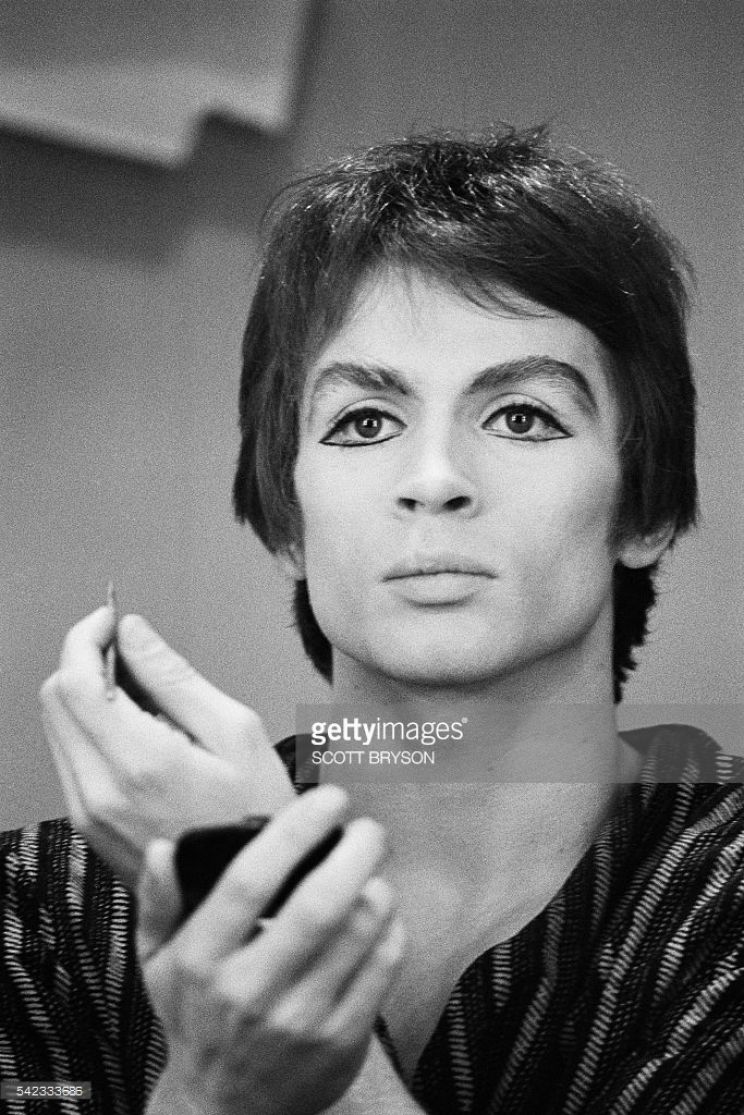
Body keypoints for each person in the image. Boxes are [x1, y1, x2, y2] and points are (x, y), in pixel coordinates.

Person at [4, 126, 743, 1113]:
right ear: (288, 522)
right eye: (365, 422)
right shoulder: (39, 911)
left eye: (523, 416)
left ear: (644, 507)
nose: (433, 479)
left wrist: (272, 929)